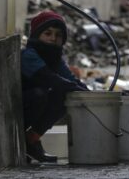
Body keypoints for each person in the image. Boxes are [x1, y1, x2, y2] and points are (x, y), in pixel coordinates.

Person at [21, 10, 89, 162]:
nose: (53, 38)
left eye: (58, 35)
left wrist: (92, 95)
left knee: (65, 97)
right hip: (20, 107)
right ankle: (20, 139)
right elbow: (50, 79)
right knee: (40, 94)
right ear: (37, 35)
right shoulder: (29, 55)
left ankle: (32, 139)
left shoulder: (55, 59)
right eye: (48, 33)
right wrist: (75, 88)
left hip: (36, 102)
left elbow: (72, 81)